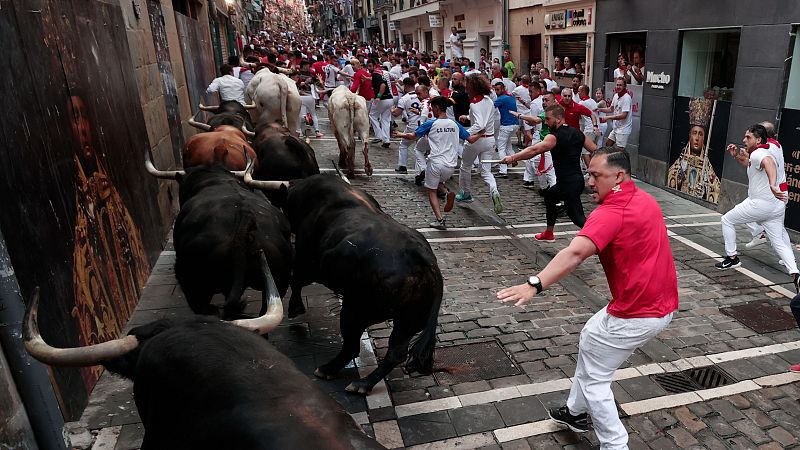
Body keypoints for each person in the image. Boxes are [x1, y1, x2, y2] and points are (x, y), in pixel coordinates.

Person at [497, 148, 678, 450]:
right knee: (590, 339)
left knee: (596, 380)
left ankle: (615, 445)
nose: (590, 182)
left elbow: (576, 252)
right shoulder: (645, 199)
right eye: (589, 174)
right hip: (658, 305)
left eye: (596, 176)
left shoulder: (610, 212)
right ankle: (575, 412)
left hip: (636, 313)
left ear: (619, 176)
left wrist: (535, 283)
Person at [714, 125, 800, 294]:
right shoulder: (761, 151)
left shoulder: (760, 153)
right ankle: (796, 274)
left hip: (760, 204)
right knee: (779, 242)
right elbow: (751, 164)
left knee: (727, 220)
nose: (744, 140)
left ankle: (732, 258)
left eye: (748, 137)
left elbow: (768, 163)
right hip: (776, 207)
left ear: (758, 139)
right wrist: (737, 156)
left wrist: (773, 185)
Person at [501, 104, 597, 240]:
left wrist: (512, 157)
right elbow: (596, 150)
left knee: (577, 217)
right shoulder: (578, 133)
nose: (546, 122)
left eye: (548, 119)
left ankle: (601, 238)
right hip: (575, 181)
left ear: (558, 119)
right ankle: (549, 232)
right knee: (550, 196)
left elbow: (534, 150)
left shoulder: (553, 137)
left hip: (568, 183)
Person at [394, 96, 483, 230]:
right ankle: (447, 193)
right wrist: (481, 133)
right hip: (451, 166)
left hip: (435, 163)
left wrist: (400, 134)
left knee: (431, 191)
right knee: (440, 182)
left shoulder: (431, 123)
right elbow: (470, 139)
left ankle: (440, 220)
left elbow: (413, 136)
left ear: (436, 108)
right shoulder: (455, 124)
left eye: (432, 108)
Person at [456, 74, 504, 215]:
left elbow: (480, 123)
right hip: (489, 140)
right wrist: (467, 117)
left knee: (465, 166)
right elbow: (483, 117)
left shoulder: (474, 103)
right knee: (486, 171)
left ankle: (466, 193)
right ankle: (494, 190)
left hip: (477, 140)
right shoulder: (488, 100)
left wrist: (466, 133)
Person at [666, 97, 721, 203]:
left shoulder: (707, 168)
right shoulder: (680, 162)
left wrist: (704, 190)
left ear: (704, 138)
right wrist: (679, 178)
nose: (696, 138)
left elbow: (715, 188)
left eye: (700, 134)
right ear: (689, 135)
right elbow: (671, 177)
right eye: (694, 133)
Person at [392, 81, 430, 176]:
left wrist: (392, 109)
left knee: (405, 145)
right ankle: (420, 172)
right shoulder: (430, 99)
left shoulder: (405, 98)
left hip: (415, 126)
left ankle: (403, 166)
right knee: (420, 149)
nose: (418, 96)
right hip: (427, 128)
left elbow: (396, 113)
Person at [597, 77, 633, 151]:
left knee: (620, 150)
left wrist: (608, 117)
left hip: (623, 129)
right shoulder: (616, 95)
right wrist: (599, 109)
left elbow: (624, 115)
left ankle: (621, 162)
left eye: (620, 85)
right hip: (616, 128)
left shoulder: (626, 98)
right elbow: (610, 109)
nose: (618, 87)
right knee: (608, 144)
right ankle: (611, 161)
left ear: (625, 86)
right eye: (617, 85)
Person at [493, 80, 519, 178]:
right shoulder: (510, 96)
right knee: (508, 145)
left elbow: (489, 107)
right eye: (495, 90)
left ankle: (503, 170)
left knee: (501, 148)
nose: (496, 92)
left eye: (498, 90)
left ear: (503, 89)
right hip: (515, 124)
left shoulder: (501, 98)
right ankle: (514, 159)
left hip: (506, 125)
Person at [371, 59, 396, 148]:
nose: (369, 68)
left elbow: (382, 85)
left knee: (372, 115)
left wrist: (378, 96)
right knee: (385, 119)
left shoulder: (375, 74)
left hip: (382, 99)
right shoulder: (382, 73)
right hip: (390, 98)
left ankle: (379, 135)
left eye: (370, 66)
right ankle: (386, 140)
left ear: (374, 66)